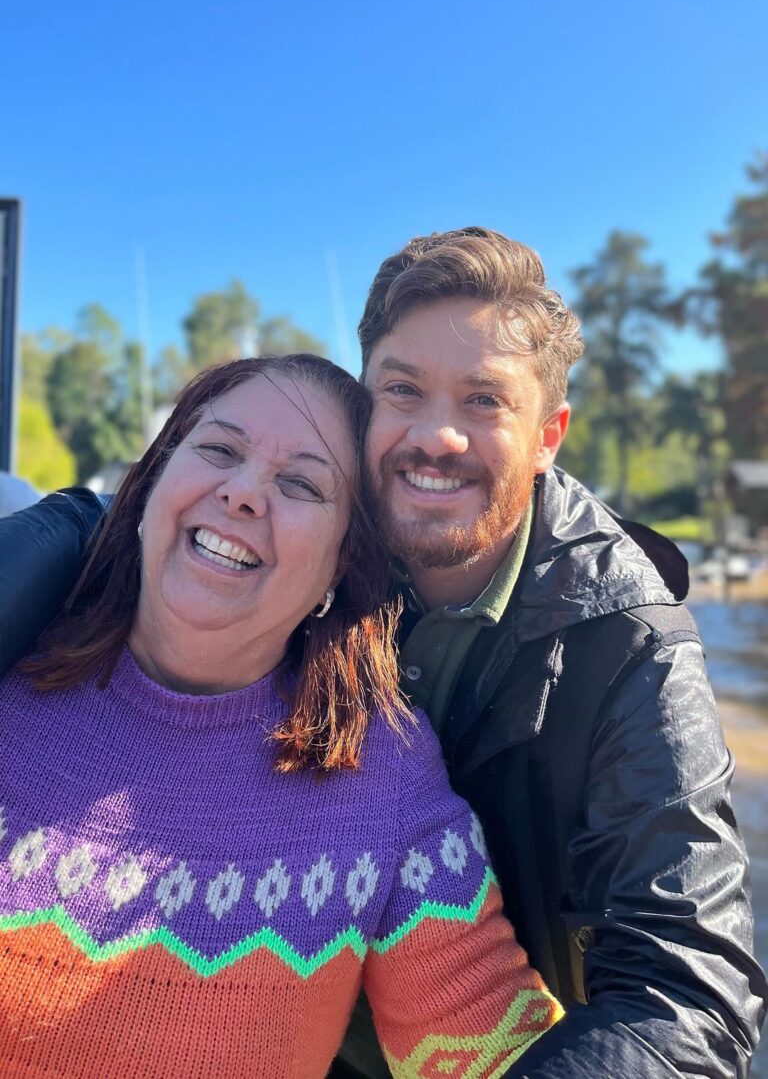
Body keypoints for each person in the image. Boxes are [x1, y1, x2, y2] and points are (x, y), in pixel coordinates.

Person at [1, 230, 766, 1077]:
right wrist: (51, 536)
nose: (436, 434)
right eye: (403, 388)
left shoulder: (630, 652)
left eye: (484, 400)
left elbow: (686, 994)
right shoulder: (32, 626)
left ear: (549, 434)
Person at [0, 353, 561, 1079]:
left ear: (339, 566)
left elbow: (492, 1044)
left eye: (300, 483)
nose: (241, 494)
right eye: (218, 450)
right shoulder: (12, 657)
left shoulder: (381, 769)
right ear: (149, 486)